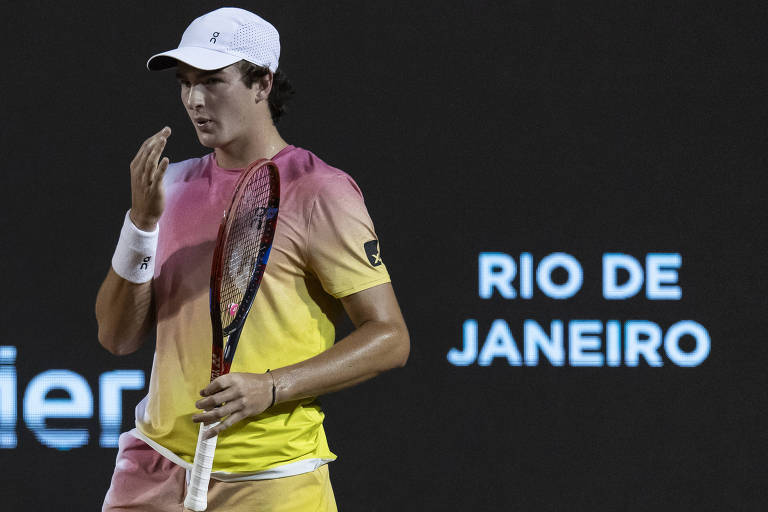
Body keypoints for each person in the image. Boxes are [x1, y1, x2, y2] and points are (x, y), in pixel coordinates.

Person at [95, 7, 409, 511]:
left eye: (213, 82)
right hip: (151, 470)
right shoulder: (169, 185)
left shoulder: (320, 191)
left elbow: (391, 338)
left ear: (262, 83)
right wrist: (141, 223)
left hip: (271, 481)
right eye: (185, 83)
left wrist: (272, 387)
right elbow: (117, 337)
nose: (194, 100)